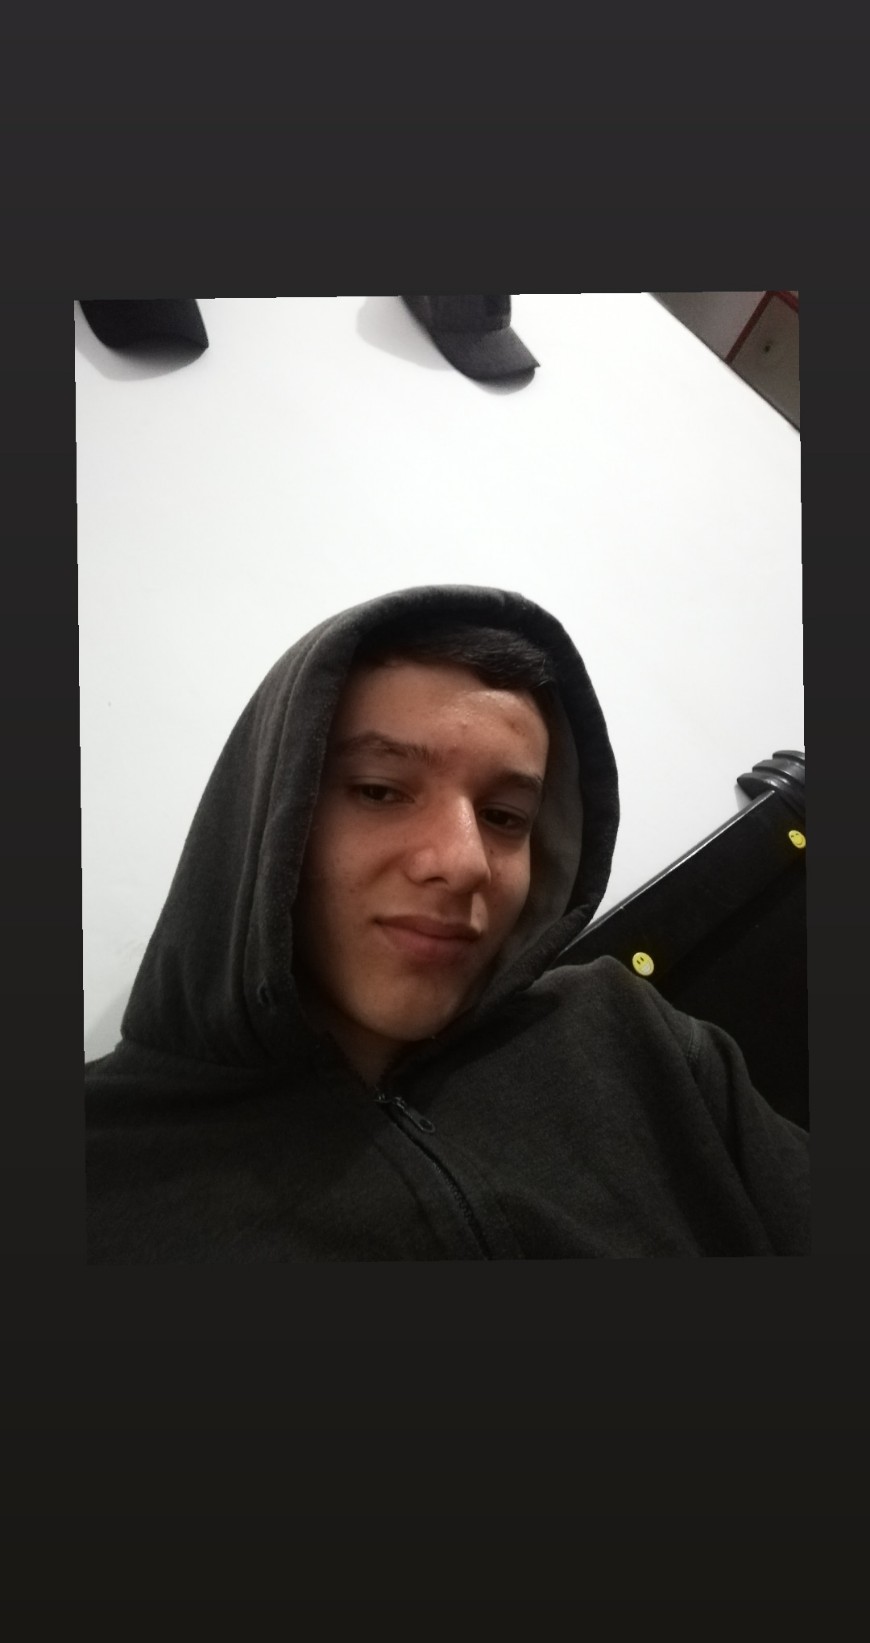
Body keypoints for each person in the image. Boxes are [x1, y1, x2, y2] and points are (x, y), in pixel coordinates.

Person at [84, 584, 810, 1260]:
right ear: (267, 812)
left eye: (504, 816)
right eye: (379, 790)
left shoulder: (632, 1033)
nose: (466, 863)